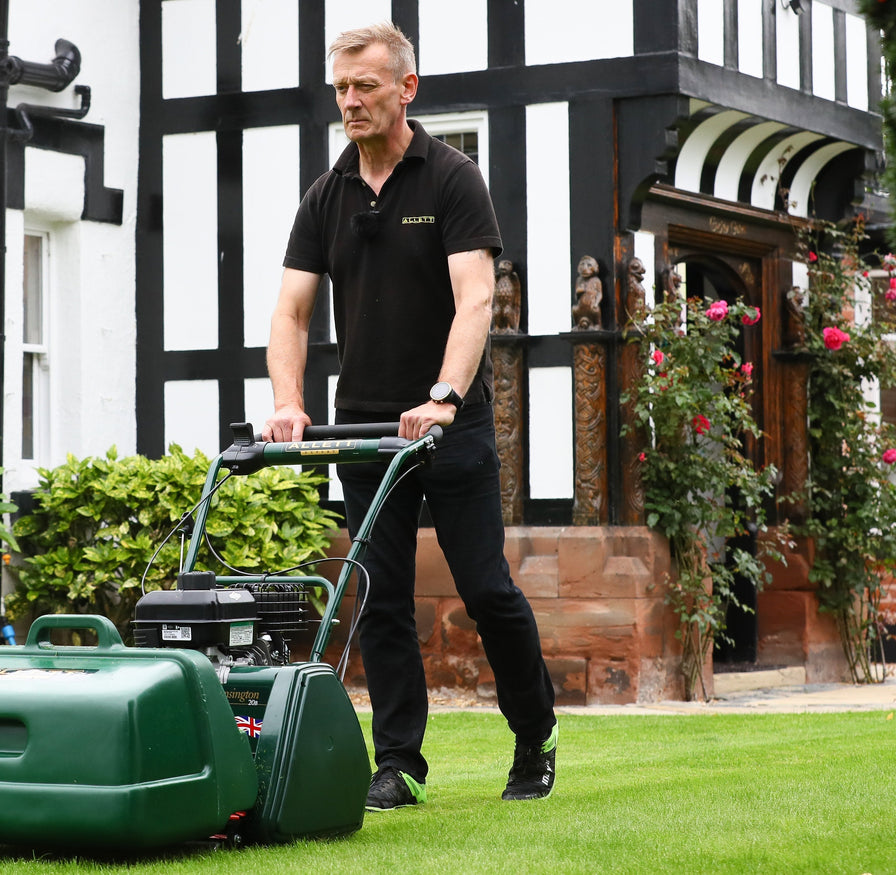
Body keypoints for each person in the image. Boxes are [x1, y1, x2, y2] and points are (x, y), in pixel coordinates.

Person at [262, 22, 558, 809]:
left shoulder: (452, 179)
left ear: (405, 89)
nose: (349, 101)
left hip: (449, 428)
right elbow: (291, 312)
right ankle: (398, 762)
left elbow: (475, 299)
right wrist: (288, 402)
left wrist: (443, 397)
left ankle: (534, 735)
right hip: (363, 430)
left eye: (364, 85)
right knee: (381, 597)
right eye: (340, 88)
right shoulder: (326, 195)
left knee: (486, 589)